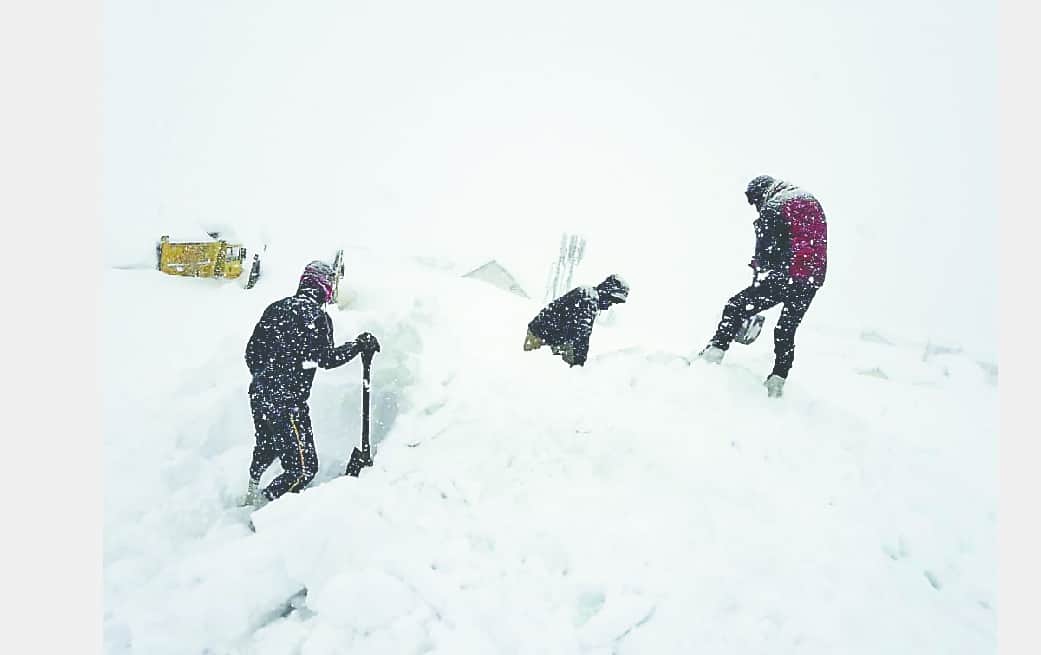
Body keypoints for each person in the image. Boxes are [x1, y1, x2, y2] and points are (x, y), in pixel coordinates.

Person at [240, 260, 380, 507]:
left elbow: (251, 353)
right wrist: (357, 346)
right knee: (303, 469)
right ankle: (264, 508)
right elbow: (327, 359)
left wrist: (266, 377)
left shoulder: (275, 308)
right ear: (324, 288)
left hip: (259, 396)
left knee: (267, 446)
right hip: (287, 405)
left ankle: (250, 492)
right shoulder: (317, 317)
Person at [700, 175, 827, 398]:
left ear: (760, 194)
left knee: (735, 306)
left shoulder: (774, 205)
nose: (757, 207)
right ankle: (778, 379)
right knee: (785, 329)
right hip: (811, 279)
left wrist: (760, 268)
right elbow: (806, 241)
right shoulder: (809, 200)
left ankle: (712, 357)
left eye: (755, 202)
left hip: (786, 275)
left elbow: (765, 249)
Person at [524, 274, 629, 367]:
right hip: (539, 338)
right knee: (532, 373)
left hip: (543, 334)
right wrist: (579, 367)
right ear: (607, 293)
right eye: (612, 300)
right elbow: (581, 335)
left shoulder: (588, 294)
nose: (610, 305)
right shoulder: (589, 299)